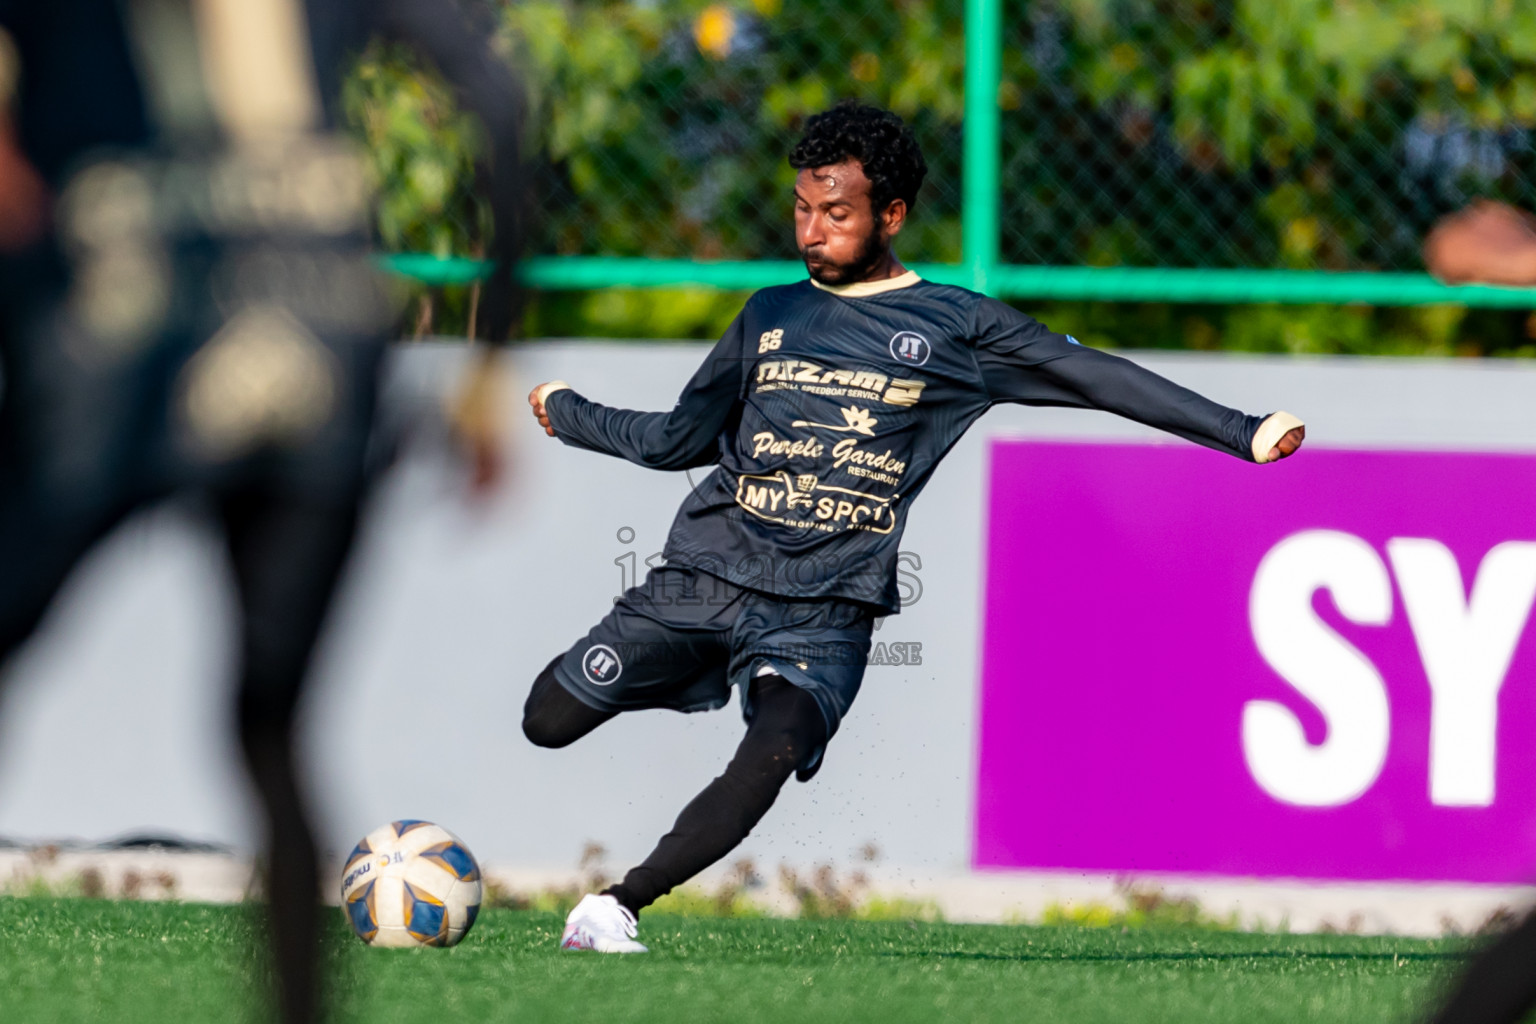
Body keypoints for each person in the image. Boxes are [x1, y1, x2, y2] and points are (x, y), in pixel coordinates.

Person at [523, 102, 1306, 954]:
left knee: (775, 746)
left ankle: (616, 906)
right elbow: (679, 438)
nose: (812, 230)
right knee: (548, 720)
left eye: (837, 212)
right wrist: (571, 414)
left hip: (823, 610)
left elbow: (1093, 376)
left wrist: (1241, 429)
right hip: (701, 577)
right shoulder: (766, 314)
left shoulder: (957, 329)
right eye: (801, 208)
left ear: (890, 216)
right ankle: (695, 670)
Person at [0, 1, 523, 1020]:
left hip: (126, 351)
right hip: (322, 355)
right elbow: (497, 102)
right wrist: (488, 365)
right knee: (272, 729)